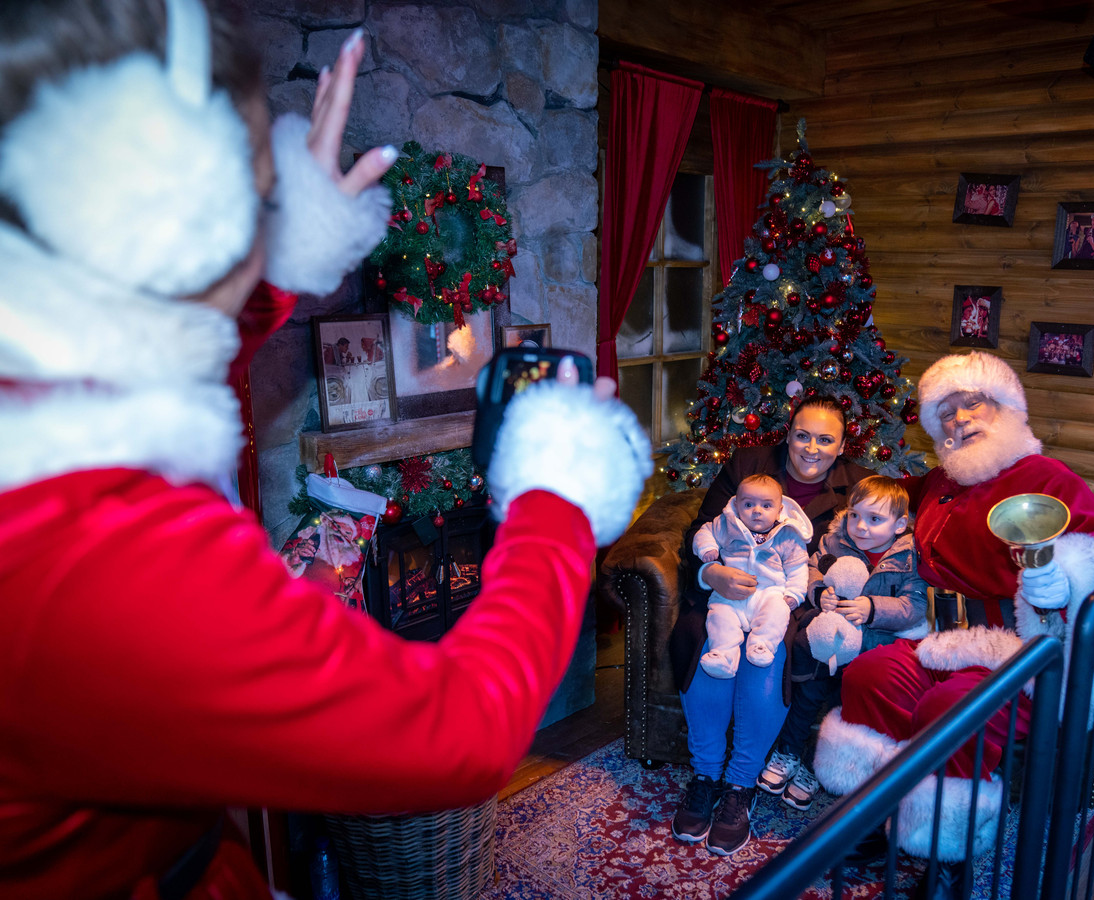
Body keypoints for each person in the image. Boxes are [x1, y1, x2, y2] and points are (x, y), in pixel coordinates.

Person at [0, 2, 651, 898]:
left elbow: (143, 368)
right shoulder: (104, 560)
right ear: (174, 229)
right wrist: (556, 499)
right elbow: (458, 735)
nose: (265, 217)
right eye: (261, 200)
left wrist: (270, 279)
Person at [812, 351, 1094, 895]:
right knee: (869, 676)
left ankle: (948, 855)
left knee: (950, 711)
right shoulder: (940, 481)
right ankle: (878, 816)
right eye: (947, 412)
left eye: (972, 404)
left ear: (1005, 408)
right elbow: (876, 506)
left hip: (1014, 651)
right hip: (933, 636)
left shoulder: (1045, 477)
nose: (959, 420)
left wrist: (1064, 576)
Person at [669, 395, 873, 856]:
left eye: (826, 439)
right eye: (803, 435)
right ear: (788, 434)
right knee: (709, 651)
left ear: (841, 446)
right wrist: (710, 573)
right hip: (723, 590)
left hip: (790, 600)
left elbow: (883, 531)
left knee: (765, 661)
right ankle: (705, 777)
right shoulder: (748, 464)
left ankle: (739, 788)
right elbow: (703, 530)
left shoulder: (858, 486)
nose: (812, 448)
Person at [758, 475, 930, 811]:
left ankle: (812, 767)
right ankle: (788, 751)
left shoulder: (909, 558)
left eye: (874, 519)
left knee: (841, 707)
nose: (860, 526)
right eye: (854, 515)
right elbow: (812, 569)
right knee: (808, 694)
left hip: (873, 648)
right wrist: (820, 593)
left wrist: (873, 609)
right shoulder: (835, 541)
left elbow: (916, 606)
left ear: (899, 525)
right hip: (830, 641)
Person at [691, 473, 813, 677]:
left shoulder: (788, 534)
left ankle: (762, 646)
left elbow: (798, 567)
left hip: (769, 592)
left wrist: (795, 593)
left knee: (778, 612)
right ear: (737, 505)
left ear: (779, 509)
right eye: (748, 505)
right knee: (719, 616)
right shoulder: (727, 524)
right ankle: (723, 655)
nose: (757, 511)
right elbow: (705, 531)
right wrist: (707, 549)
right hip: (729, 592)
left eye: (766, 506)